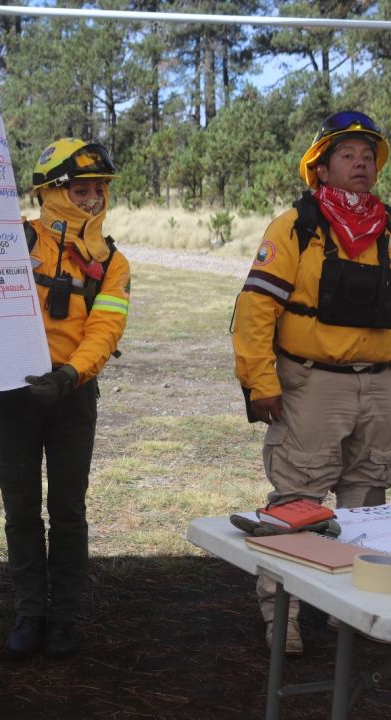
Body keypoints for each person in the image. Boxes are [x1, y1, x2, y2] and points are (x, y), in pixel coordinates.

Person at [232, 110, 391, 656]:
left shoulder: (390, 228)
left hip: (381, 388)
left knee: (368, 507)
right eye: (347, 154)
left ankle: (352, 614)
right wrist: (260, 382)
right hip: (311, 386)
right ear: (320, 169)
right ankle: (284, 619)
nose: (361, 162)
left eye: (368, 155)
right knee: (298, 501)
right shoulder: (295, 226)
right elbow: (255, 310)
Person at [0, 138, 131, 659]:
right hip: (11, 398)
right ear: (51, 191)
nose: (91, 199)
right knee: (20, 510)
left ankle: (64, 619)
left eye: (98, 190)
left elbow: (105, 328)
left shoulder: (112, 262)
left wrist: (70, 375)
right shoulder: (10, 240)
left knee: (68, 512)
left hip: (72, 398)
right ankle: (30, 612)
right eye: (81, 189)